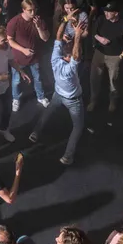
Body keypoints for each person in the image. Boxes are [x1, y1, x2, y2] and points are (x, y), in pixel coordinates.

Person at [29, 17, 85, 165]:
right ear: (69, 56)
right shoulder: (71, 68)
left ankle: (35, 132)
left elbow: (59, 36)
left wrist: (66, 19)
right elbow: (77, 54)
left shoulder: (55, 59)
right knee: (78, 127)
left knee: (48, 112)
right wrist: (77, 35)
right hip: (73, 100)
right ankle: (67, 156)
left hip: (58, 94)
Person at [7, 0, 50, 111]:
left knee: (38, 77)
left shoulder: (39, 21)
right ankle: (16, 99)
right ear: (23, 10)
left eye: (34, 10)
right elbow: (10, 40)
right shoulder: (14, 22)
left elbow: (45, 38)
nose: (33, 13)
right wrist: (23, 50)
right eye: (30, 10)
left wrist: (39, 27)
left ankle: (41, 97)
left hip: (34, 57)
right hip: (18, 57)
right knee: (16, 80)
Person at [89, 2, 123, 112]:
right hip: (99, 53)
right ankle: (93, 100)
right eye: (105, 11)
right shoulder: (101, 20)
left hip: (115, 55)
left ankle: (113, 101)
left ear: (116, 13)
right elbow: (94, 32)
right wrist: (99, 39)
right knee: (94, 78)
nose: (106, 13)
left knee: (113, 80)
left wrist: (121, 56)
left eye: (109, 12)